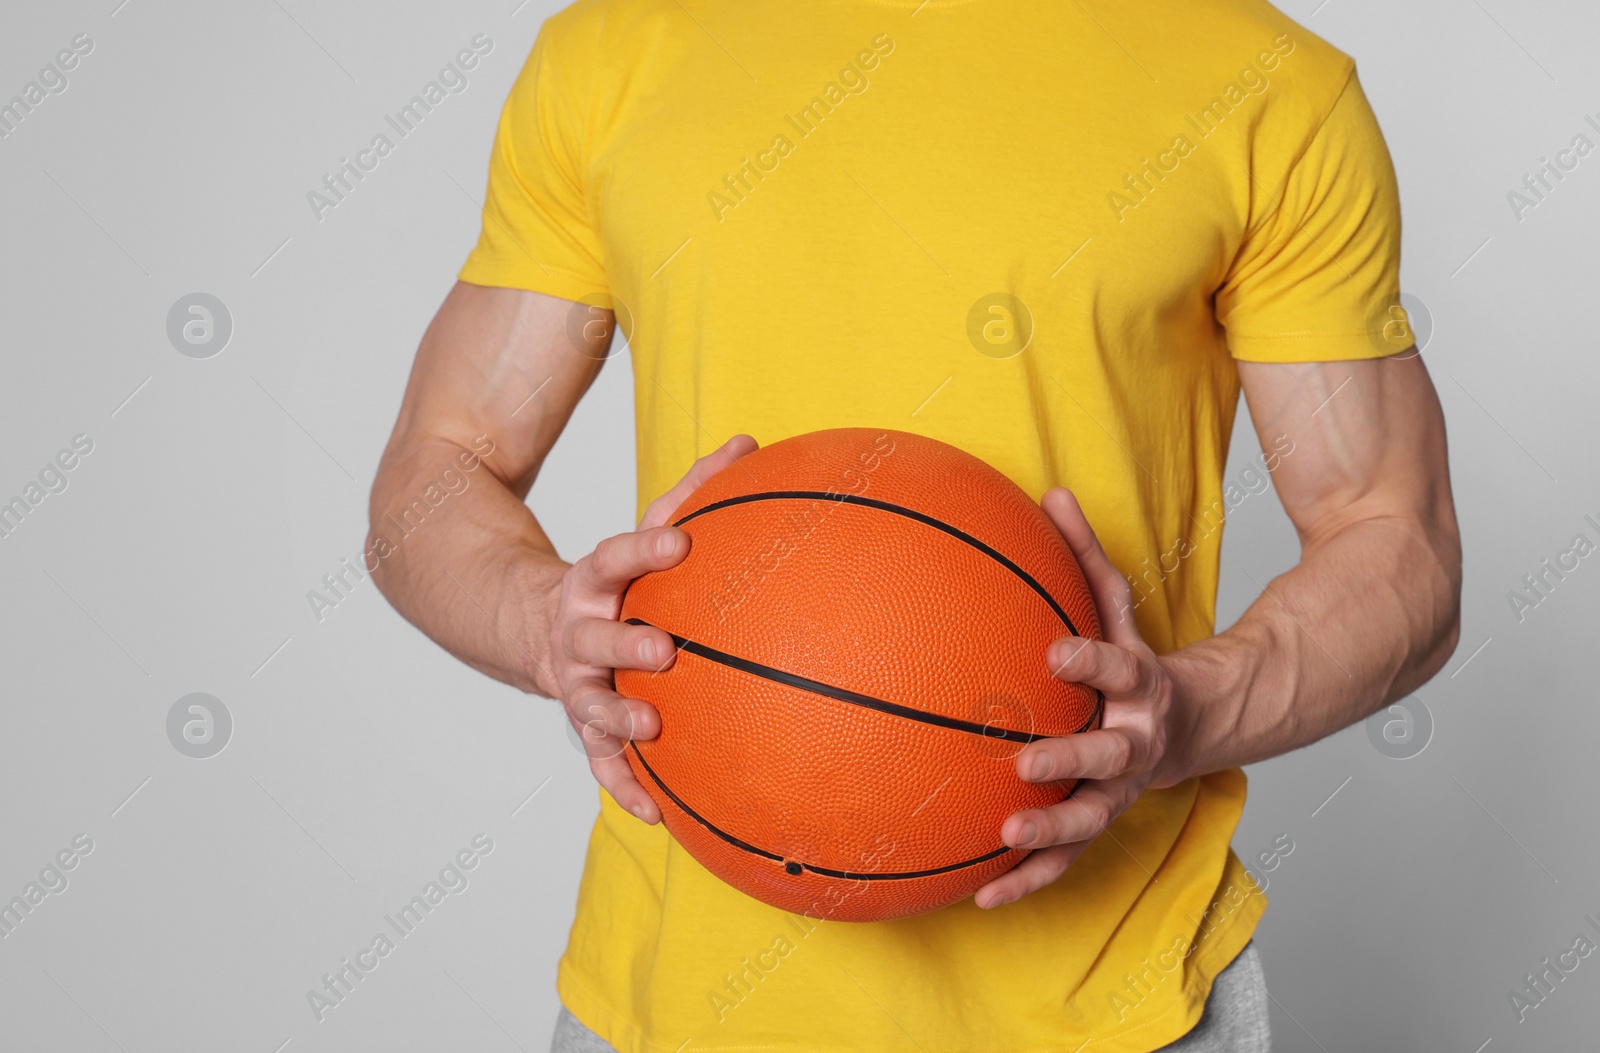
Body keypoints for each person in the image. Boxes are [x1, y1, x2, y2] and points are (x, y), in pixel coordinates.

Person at [367, 0, 1461, 1049]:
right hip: (674, 1005)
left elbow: (1394, 540)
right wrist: (542, 621)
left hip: (1114, 1011)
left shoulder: (1269, 85)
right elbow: (437, 467)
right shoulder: (608, 54)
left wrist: (1188, 712)